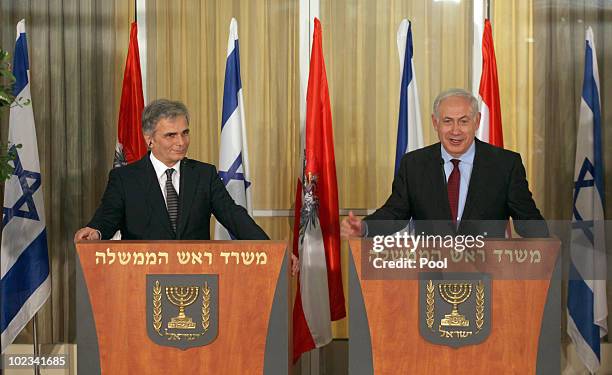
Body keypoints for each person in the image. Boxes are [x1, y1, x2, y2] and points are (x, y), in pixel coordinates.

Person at [341, 88, 548, 238]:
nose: (455, 130)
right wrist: (364, 228)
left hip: (487, 279)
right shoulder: (414, 164)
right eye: (447, 121)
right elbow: (395, 213)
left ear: (477, 122)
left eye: (464, 121)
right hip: (429, 277)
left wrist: (543, 235)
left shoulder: (505, 165)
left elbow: (528, 221)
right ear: (435, 123)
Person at [74, 99, 269, 242]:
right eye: (171, 135)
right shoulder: (125, 179)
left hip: (196, 281)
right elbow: (108, 217)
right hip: (142, 282)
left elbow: (234, 216)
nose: (181, 142)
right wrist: (95, 231)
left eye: (185, 133)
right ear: (149, 139)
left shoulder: (204, 175)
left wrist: (272, 250)